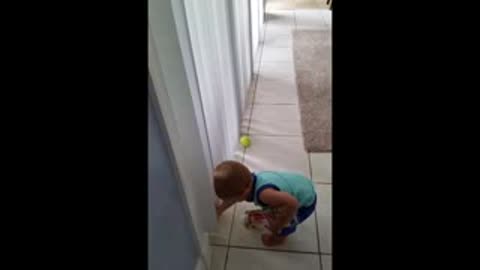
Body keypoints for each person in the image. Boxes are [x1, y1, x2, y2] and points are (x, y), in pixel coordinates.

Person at [214, 160, 317, 246]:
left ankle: (278, 239)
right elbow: (232, 198)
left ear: (244, 193)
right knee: (275, 210)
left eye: (229, 199)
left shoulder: (264, 194)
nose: (227, 201)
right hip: (298, 185)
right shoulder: (250, 180)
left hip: (303, 203)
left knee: (284, 223)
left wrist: (278, 224)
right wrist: (220, 210)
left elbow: (292, 204)